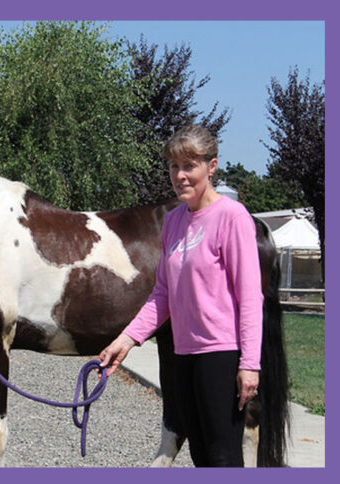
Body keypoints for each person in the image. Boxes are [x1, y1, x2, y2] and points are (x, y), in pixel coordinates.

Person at [99, 125, 263, 467]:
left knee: (223, 457)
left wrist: (249, 364)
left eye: (189, 166)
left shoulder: (232, 217)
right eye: (174, 166)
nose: (180, 176)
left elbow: (250, 297)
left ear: (211, 166)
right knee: (200, 455)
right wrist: (126, 340)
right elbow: (163, 293)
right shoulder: (174, 221)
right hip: (184, 355)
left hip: (221, 354)